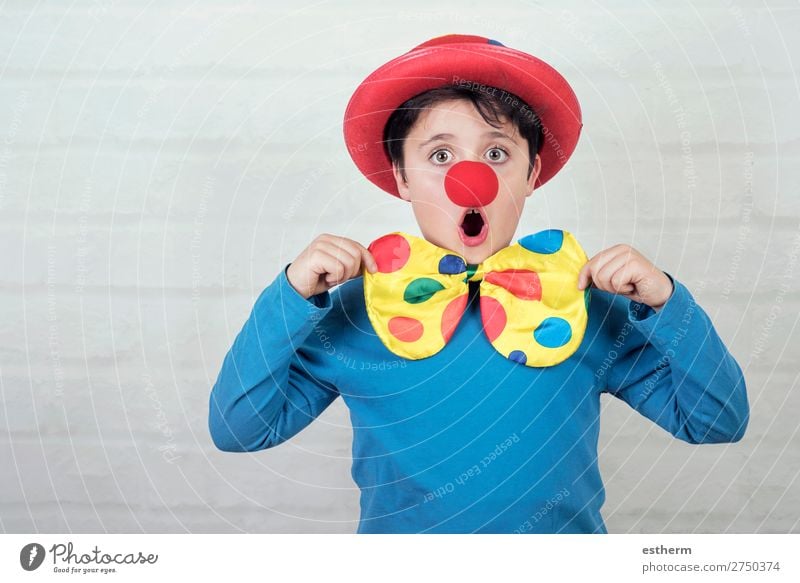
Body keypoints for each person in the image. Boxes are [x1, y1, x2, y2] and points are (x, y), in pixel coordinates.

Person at [208, 34, 749, 533]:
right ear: (401, 176)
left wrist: (667, 303)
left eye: (497, 153)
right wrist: (288, 297)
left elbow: (717, 421)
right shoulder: (353, 311)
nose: (473, 179)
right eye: (440, 155)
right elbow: (239, 431)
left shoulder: (580, 302)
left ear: (532, 172)